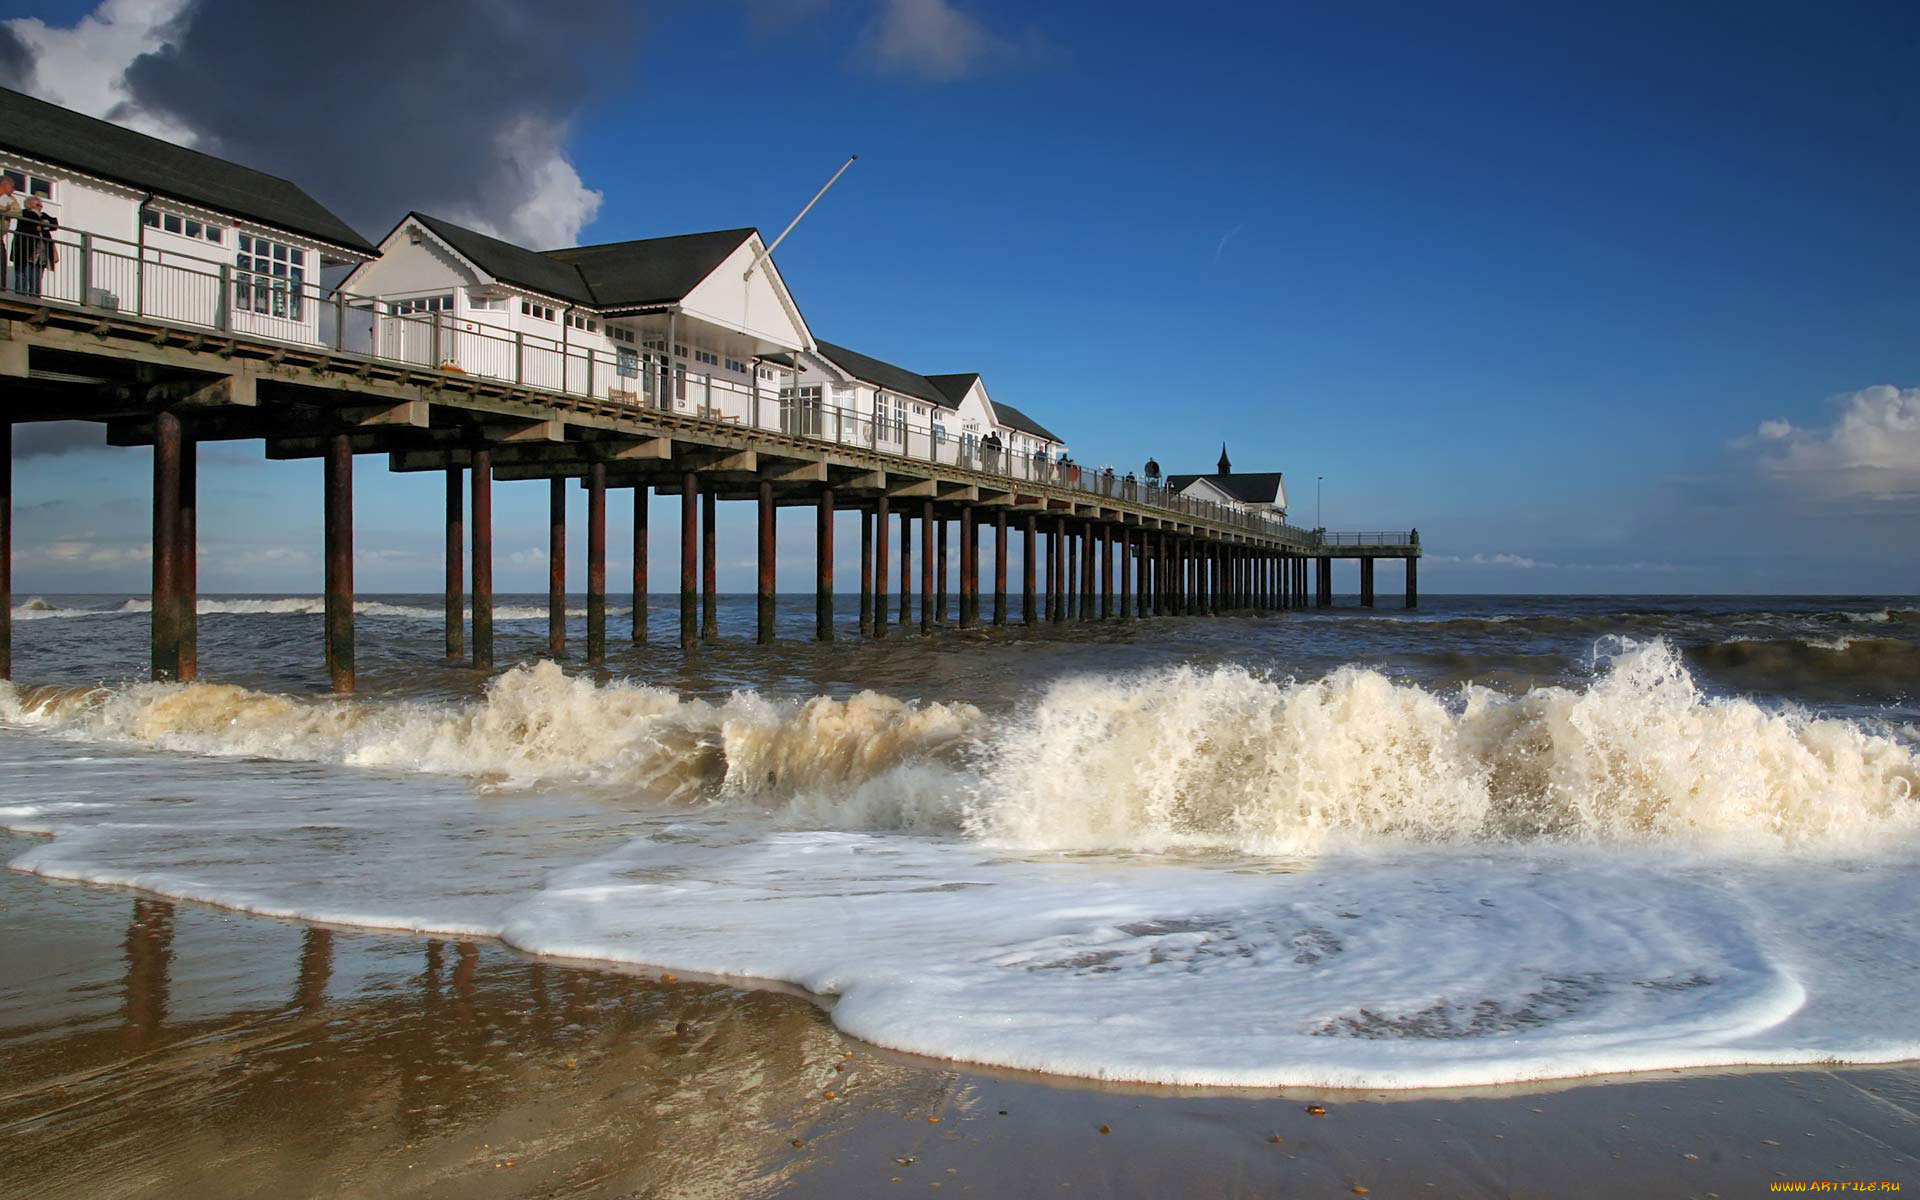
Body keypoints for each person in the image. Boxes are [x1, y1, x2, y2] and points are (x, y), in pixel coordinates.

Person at [11, 197, 57, 296]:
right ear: (29, 205)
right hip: (26, 251)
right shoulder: (24, 213)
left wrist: (41, 227)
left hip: (40, 255)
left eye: (41, 205)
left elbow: (54, 223)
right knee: (23, 275)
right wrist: (43, 225)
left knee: (36, 278)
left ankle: (34, 298)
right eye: (37, 205)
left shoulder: (43, 215)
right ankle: (21, 297)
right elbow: (30, 224)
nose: (40, 207)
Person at [0, 176, 18, 289]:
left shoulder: (11, 199)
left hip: (0, 237)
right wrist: (3, 210)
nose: (14, 190)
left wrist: (6, 211)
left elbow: (18, 213)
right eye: (12, 186)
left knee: (1, 265)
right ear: (5, 184)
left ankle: (1, 289)